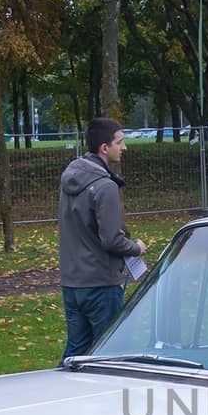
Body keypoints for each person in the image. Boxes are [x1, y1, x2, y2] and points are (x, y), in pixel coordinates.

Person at [58, 117, 146, 363]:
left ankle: (59, 393)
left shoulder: (69, 179)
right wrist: (135, 248)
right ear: (104, 148)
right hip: (100, 285)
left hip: (72, 283)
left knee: (77, 353)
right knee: (110, 354)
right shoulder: (105, 186)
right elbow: (111, 240)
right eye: (120, 142)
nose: (124, 147)